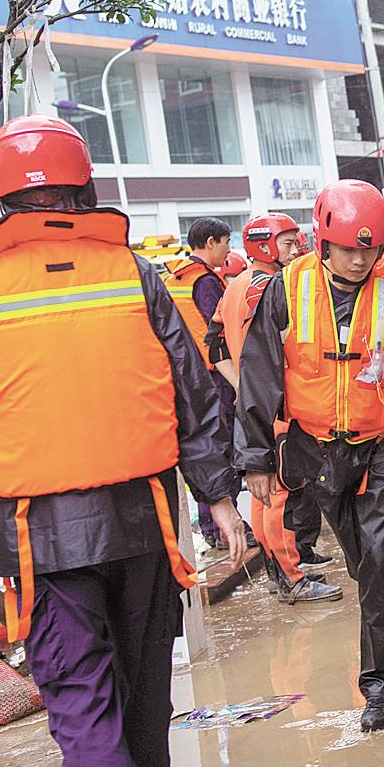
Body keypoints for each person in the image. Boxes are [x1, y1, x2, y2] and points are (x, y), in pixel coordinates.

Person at [0, 114, 246, 767]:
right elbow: (192, 393)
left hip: (40, 536)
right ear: (83, 185)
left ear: (2, 195)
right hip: (143, 522)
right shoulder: (133, 272)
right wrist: (220, 497)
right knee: (144, 700)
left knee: (84, 702)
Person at [236, 179, 384, 733]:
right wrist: (256, 457)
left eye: (371, 248)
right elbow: (259, 372)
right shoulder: (285, 291)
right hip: (317, 449)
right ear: (322, 244)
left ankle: (383, 686)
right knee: (371, 567)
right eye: (349, 249)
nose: (362, 259)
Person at [207, 213, 342, 605]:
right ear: (264, 245)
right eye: (286, 243)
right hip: (275, 405)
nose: (296, 249)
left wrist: (240, 387)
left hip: (255, 402)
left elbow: (214, 345)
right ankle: (290, 578)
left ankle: (282, 571)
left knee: (264, 493)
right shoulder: (270, 287)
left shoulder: (235, 287)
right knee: (277, 495)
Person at [165, 215, 235, 548]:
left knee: (203, 450)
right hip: (212, 374)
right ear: (211, 243)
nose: (228, 250)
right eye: (226, 242)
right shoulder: (204, 281)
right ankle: (222, 529)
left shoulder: (175, 277)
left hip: (185, 374)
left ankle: (211, 528)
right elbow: (218, 327)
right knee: (218, 449)